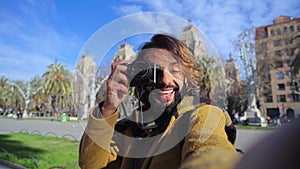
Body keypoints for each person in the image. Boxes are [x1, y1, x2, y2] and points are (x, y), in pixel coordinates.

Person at [79, 34, 241, 169]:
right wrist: (109, 107)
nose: (165, 81)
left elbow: (210, 153)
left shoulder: (202, 115)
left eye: (175, 70)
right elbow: (90, 164)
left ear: (186, 78)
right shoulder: (128, 128)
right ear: (140, 78)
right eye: (155, 72)